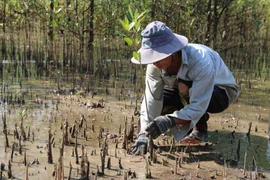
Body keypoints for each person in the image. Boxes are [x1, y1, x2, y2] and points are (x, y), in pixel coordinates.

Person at [130, 21, 240, 155]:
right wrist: (143, 134)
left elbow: (199, 104)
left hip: (221, 93)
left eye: (158, 56)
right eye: (152, 57)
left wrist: (168, 120)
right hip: (183, 91)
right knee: (148, 98)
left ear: (172, 51)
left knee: (185, 87)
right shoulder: (155, 66)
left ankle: (200, 129)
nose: (155, 62)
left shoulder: (201, 61)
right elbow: (151, 99)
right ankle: (186, 121)